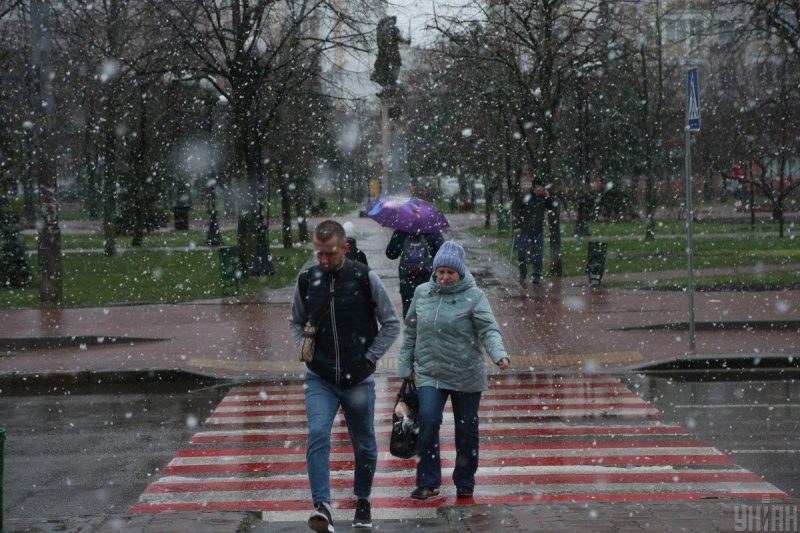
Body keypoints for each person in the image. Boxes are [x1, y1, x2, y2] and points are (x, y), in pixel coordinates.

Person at [290, 219, 401, 532]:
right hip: (320, 377)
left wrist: (369, 357)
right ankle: (322, 506)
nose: (324, 260)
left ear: (345, 249)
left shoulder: (365, 278)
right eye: (319, 253)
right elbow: (296, 321)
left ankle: (363, 499)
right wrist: (304, 347)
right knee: (317, 435)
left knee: (364, 445)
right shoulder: (307, 280)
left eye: (330, 254)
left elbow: (391, 323)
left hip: (358, 379)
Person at [397, 241, 510, 500]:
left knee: (466, 429)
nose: (445, 278)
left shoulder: (475, 296)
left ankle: (464, 480)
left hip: (465, 373)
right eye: (441, 272)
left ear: (460, 273)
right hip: (430, 372)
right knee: (428, 420)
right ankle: (428, 480)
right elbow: (411, 331)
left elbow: (488, 329)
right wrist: (405, 366)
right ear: (435, 271)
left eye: (451, 273)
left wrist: (499, 354)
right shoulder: (422, 293)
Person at [385, 229, 444, 318]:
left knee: (409, 314)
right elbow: (442, 252)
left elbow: (391, 254)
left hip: (407, 280)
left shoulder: (401, 230)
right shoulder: (431, 229)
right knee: (429, 313)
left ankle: (411, 329)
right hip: (428, 279)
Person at [512, 180, 549, 285]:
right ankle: (523, 274)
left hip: (538, 231)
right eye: (539, 187)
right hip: (525, 231)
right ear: (534, 188)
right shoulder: (525, 197)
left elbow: (552, 207)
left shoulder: (543, 198)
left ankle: (537, 276)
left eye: (543, 187)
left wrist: (548, 197)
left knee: (538, 254)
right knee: (522, 253)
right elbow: (516, 209)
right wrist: (517, 225)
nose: (542, 189)